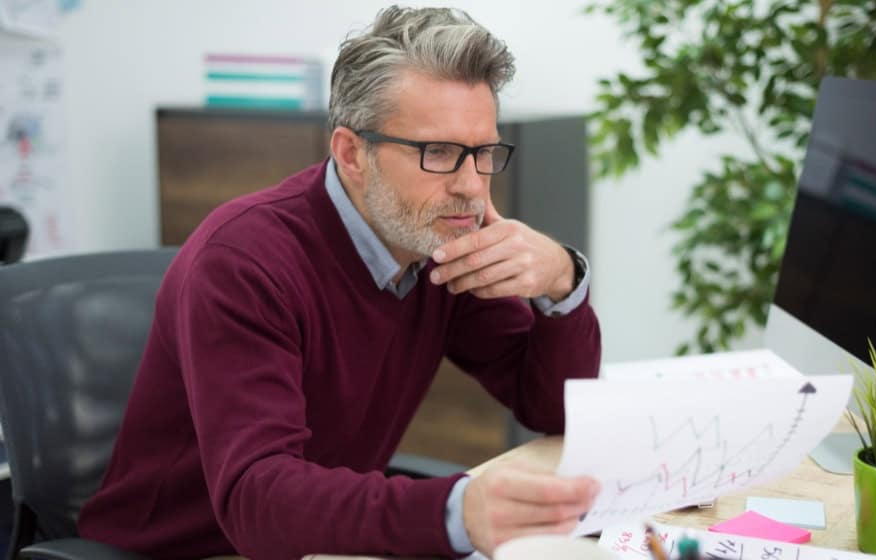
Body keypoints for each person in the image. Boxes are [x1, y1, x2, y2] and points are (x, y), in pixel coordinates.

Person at [78, 6, 601, 559]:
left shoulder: (436, 245)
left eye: (483, 152)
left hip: (320, 542)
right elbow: (256, 500)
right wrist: (456, 510)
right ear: (352, 154)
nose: (472, 187)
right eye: (439, 153)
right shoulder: (243, 263)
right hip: (183, 549)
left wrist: (561, 281)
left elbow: (551, 412)